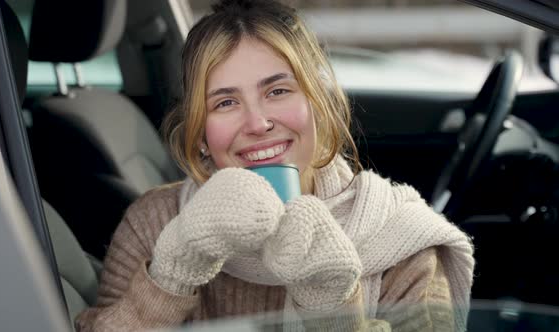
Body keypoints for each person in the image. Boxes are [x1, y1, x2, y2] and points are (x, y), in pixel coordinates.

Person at [76, 0, 474, 331]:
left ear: (317, 106)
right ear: (199, 133)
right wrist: (173, 274)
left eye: (278, 91)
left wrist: (334, 316)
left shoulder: (403, 244)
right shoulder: (155, 225)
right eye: (225, 103)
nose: (257, 123)